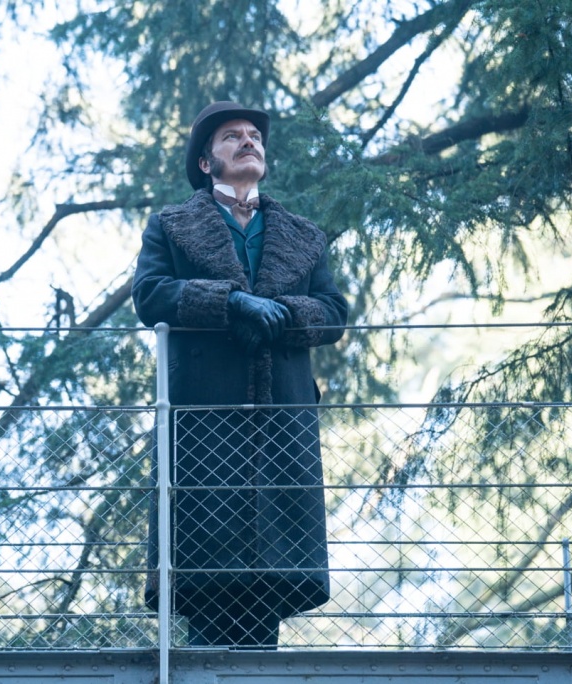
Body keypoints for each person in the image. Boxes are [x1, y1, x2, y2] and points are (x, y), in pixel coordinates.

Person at [132, 101, 349, 648]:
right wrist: (230, 303)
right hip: (202, 420)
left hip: (282, 423)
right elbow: (150, 295)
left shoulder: (304, 235)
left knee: (270, 575)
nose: (249, 140)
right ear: (206, 163)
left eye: (254, 135)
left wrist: (281, 316)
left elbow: (333, 312)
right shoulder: (171, 226)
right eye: (232, 136)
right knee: (205, 573)